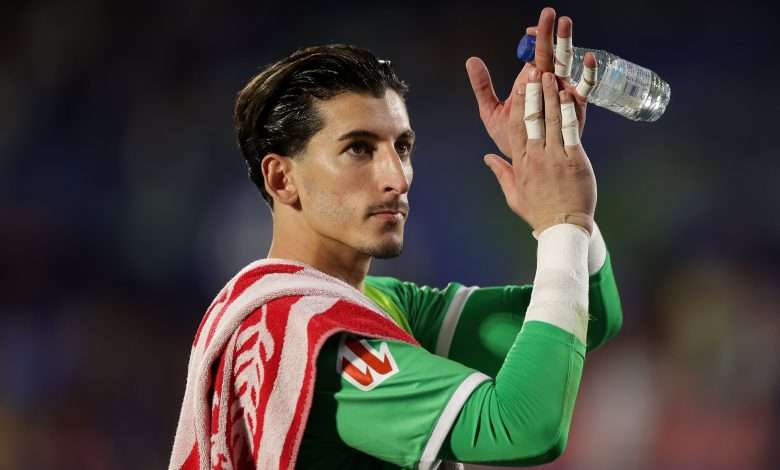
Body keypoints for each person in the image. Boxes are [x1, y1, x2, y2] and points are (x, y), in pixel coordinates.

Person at [169, 7, 622, 470]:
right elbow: (521, 429)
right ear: (282, 178)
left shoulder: (375, 303)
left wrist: (555, 171)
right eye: (359, 149)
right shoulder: (312, 333)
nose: (396, 177)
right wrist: (561, 221)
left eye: (401, 148)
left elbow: (590, 317)